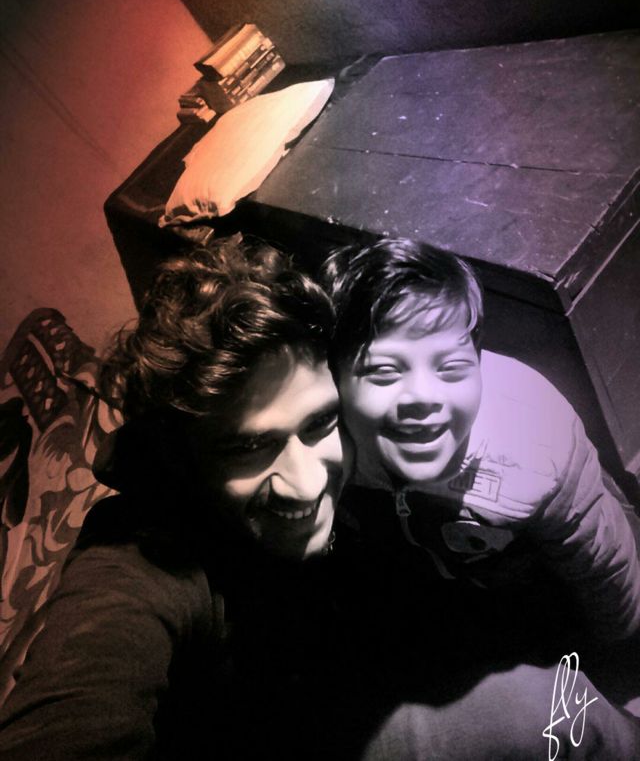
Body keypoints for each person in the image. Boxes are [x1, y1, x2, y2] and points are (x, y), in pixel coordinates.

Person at [1, 236, 638, 760]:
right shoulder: (142, 558)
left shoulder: (411, 440)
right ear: (184, 454)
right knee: (557, 718)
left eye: (318, 424)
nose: (307, 485)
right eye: (249, 448)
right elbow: (77, 706)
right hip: (285, 732)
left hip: (363, 654)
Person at [322, 236, 640, 744]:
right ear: (335, 379)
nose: (422, 396)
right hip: (449, 580)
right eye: (383, 370)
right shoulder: (325, 446)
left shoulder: (534, 439)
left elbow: (602, 558)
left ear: (479, 363)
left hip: (542, 581)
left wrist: (619, 649)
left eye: (451, 367)